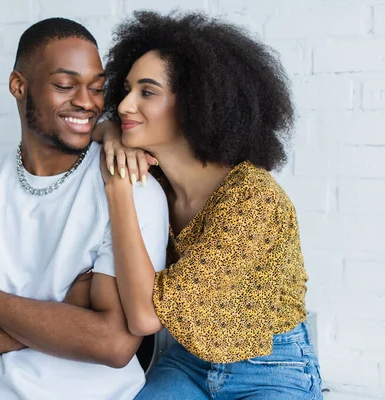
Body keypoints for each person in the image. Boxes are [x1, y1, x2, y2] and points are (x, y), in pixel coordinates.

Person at [0, 17, 169, 400]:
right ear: (19, 86)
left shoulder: (130, 189)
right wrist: (63, 320)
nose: (88, 102)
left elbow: (114, 343)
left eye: (98, 88)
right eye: (65, 85)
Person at [95, 11, 323, 399]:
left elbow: (144, 316)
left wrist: (118, 190)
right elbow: (96, 128)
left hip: (270, 365)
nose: (125, 105)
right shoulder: (158, 179)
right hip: (188, 361)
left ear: (196, 104)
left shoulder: (252, 198)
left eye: (147, 92)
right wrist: (111, 133)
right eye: (127, 89)